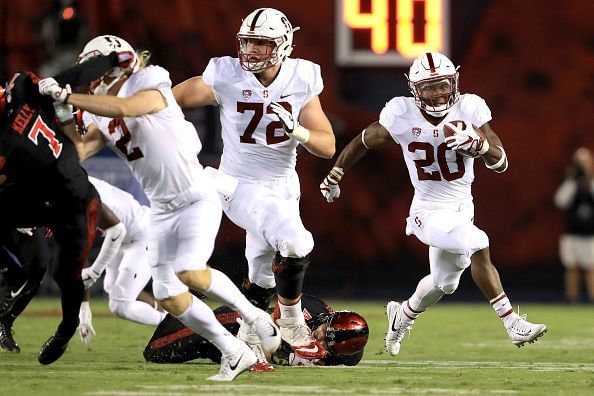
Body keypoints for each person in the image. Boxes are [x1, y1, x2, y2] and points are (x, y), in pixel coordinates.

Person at [39, 34, 281, 381]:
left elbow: (127, 108)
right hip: (160, 210)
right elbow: (79, 152)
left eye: (95, 67)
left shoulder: (151, 80)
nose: (91, 77)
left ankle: (254, 316)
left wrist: (68, 94)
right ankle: (234, 351)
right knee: (168, 294)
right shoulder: (102, 110)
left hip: (196, 196)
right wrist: (62, 112)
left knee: (189, 270)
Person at [320, 52, 547, 356]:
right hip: (427, 211)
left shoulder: (470, 107)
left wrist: (480, 146)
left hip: (462, 208)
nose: (438, 93)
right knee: (478, 241)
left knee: (445, 283)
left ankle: (402, 314)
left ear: (454, 82)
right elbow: (365, 138)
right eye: (429, 87)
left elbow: (501, 162)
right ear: (414, 90)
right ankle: (512, 322)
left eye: (442, 85)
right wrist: (335, 173)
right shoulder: (402, 114)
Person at [173, 7, 335, 360]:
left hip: (283, 187)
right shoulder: (227, 75)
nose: (250, 50)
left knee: (261, 275)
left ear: (283, 44)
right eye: (247, 42)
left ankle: (246, 343)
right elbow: (172, 100)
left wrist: (299, 131)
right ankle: (291, 321)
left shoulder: (301, 77)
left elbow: (326, 144)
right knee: (296, 241)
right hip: (238, 184)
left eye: (260, 44)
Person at [0, 53, 128, 364]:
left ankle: (65, 328)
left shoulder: (7, 143)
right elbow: (72, 73)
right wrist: (112, 59)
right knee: (45, 263)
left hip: (71, 202)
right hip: (43, 196)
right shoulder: (23, 87)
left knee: (61, 271)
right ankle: (9, 289)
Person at [143, 294, 368, 368]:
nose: (318, 333)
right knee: (155, 352)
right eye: (323, 327)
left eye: (324, 339)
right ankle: (188, 300)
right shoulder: (314, 309)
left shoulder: (346, 354)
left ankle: (186, 309)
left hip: (236, 350)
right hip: (237, 324)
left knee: (172, 353)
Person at [77, 176, 167, 344]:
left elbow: (116, 231)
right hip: (124, 236)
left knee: (120, 304)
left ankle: (171, 324)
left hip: (142, 234)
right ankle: (166, 314)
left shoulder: (79, 193)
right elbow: (81, 257)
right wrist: (84, 308)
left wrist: (96, 271)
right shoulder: (71, 185)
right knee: (112, 288)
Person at [554, 147, 594, 303]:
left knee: (591, 268)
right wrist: (572, 179)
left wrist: (589, 178)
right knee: (572, 268)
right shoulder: (570, 182)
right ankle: (572, 300)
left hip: (590, 234)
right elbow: (560, 201)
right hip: (572, 233)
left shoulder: (591, 182)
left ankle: (592, 300)